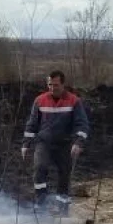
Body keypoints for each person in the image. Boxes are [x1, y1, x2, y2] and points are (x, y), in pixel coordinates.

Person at [21, 70, 91, 214]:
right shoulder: (39, 100)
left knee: (64, 174)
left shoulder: (74, 101)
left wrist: (78, 143)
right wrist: (26, 144)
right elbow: (32, 124)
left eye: (56, 85)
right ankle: (41, 204)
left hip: (64, 144)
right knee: (39, 169)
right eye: (50, 85)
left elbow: (82, 124)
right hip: (44, 143)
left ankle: (62, 208)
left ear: (63, 84)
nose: (52, 88)